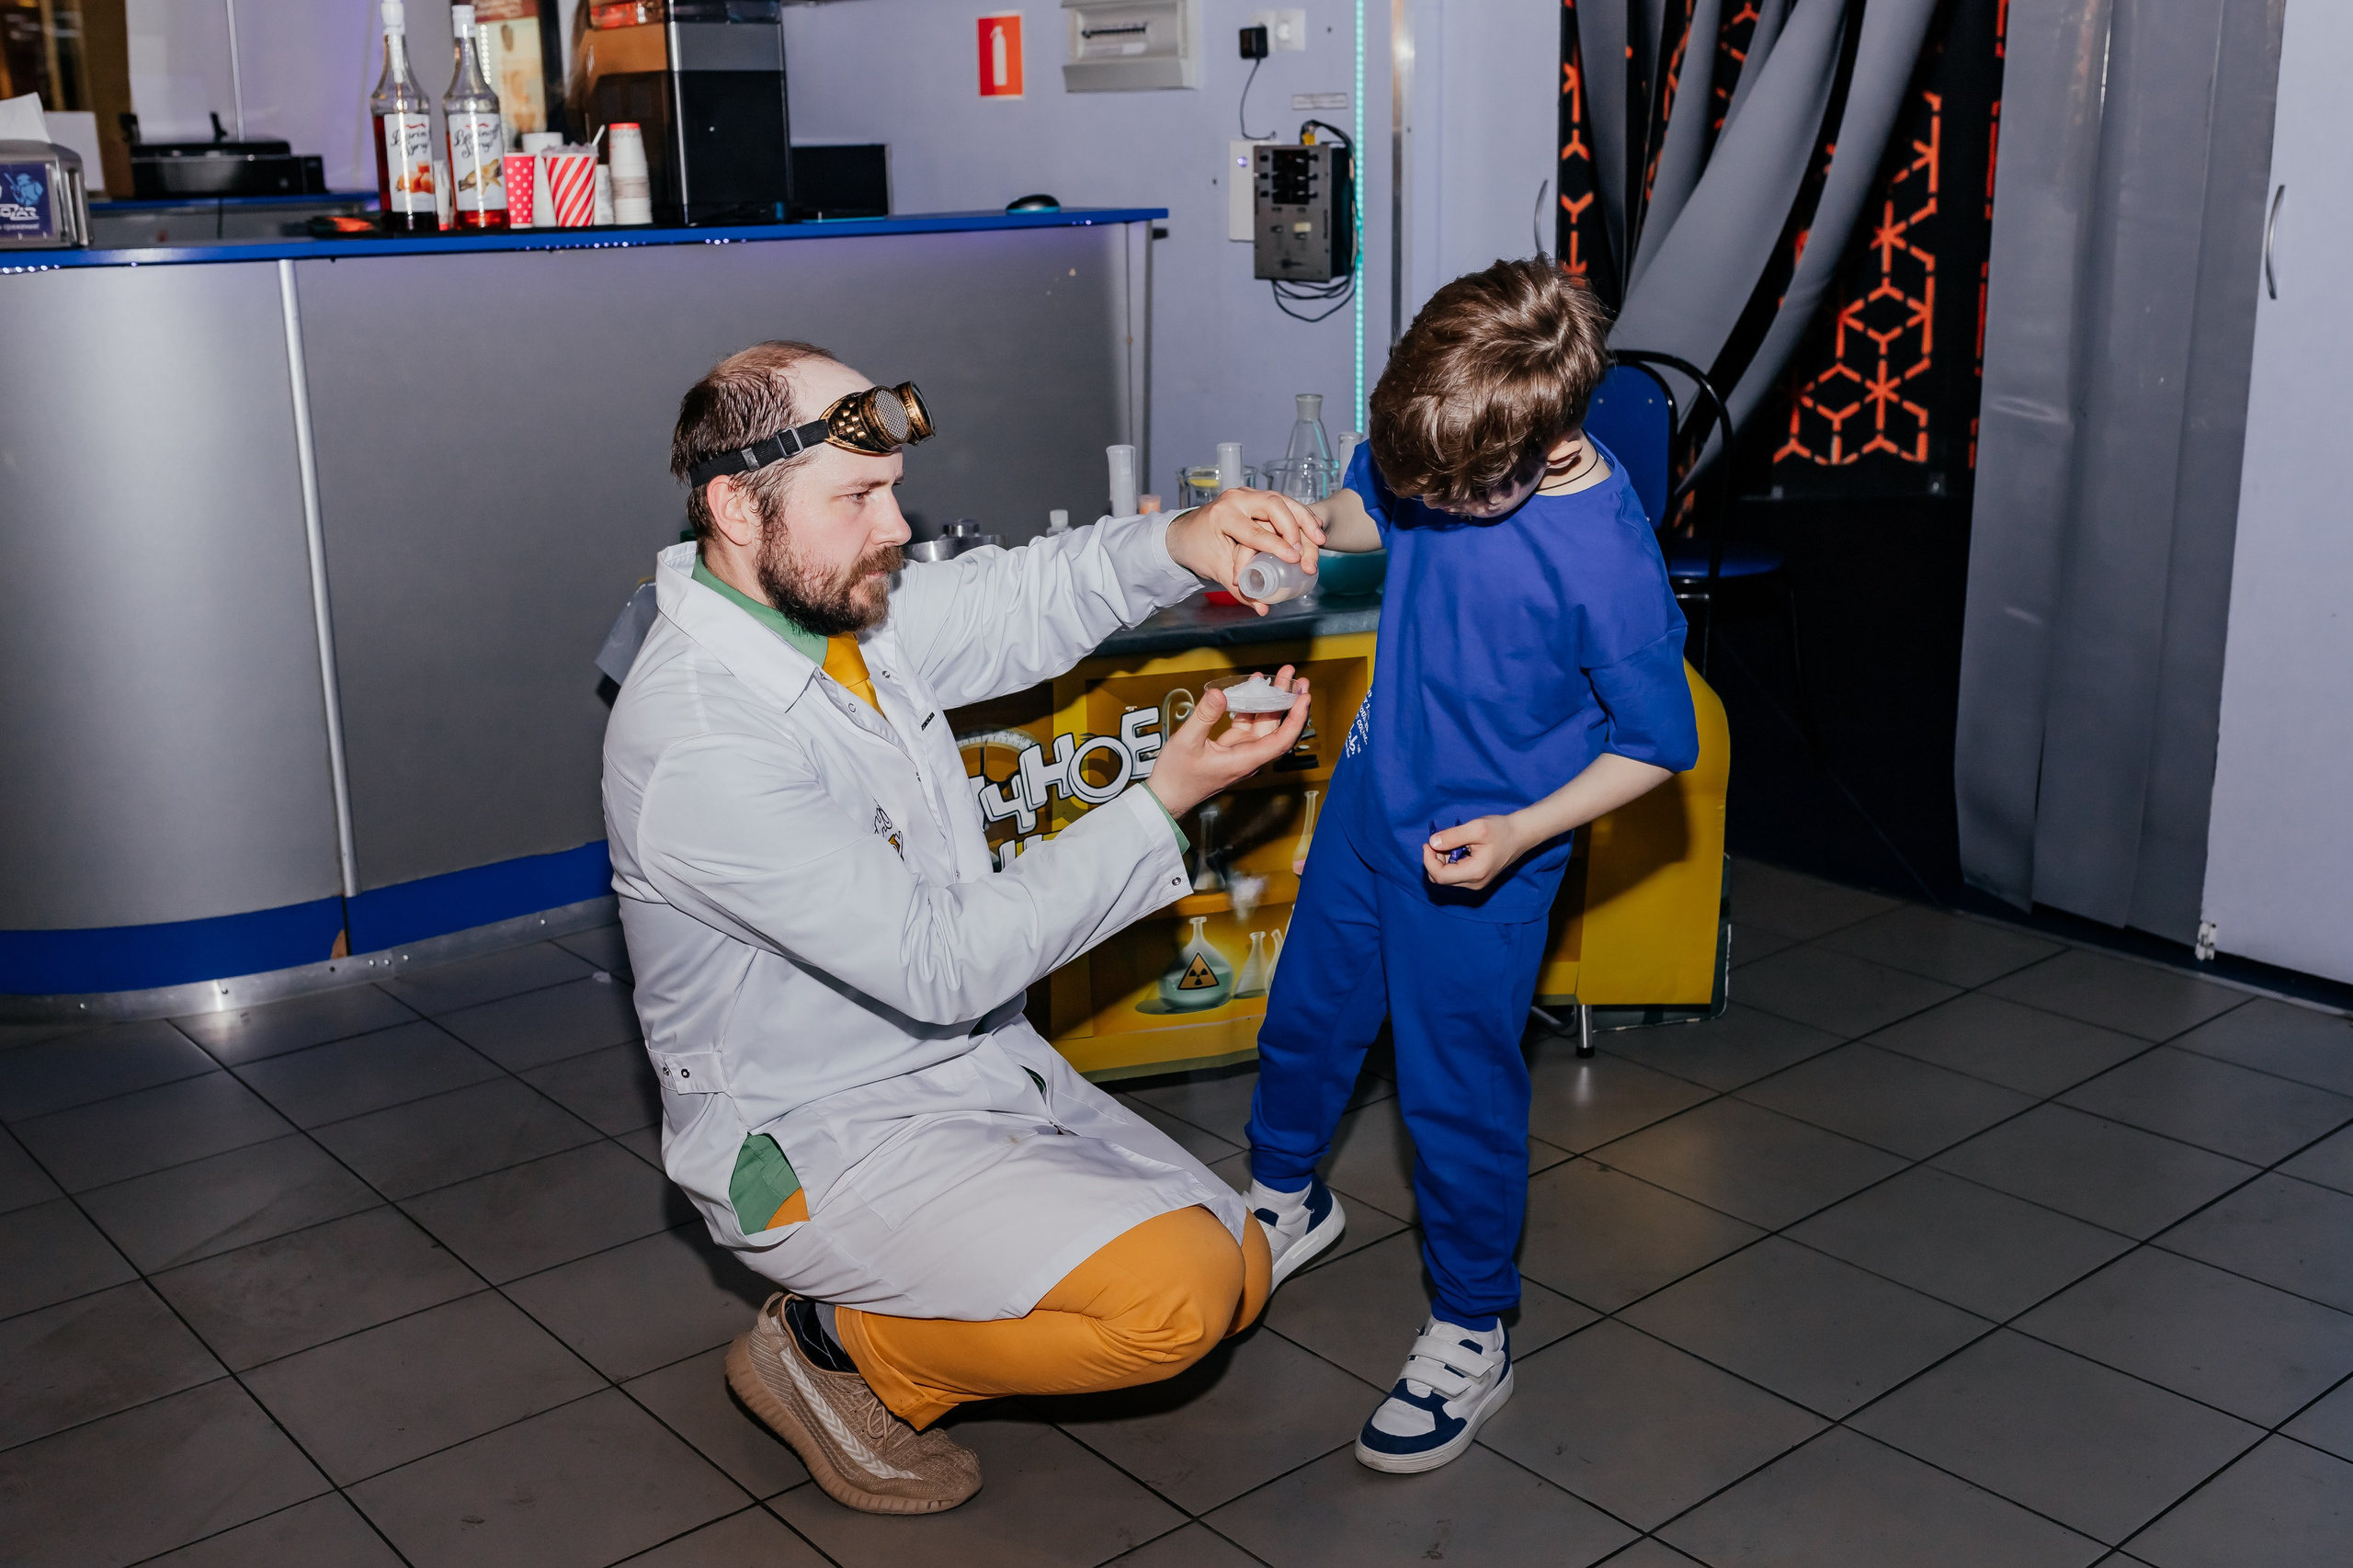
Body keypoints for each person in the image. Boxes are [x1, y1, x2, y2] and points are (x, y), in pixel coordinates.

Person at [603, 341, 1324, 1514]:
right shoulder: (700, 738)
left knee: (1241, 1260)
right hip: (818, 1132)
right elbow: (941, 963)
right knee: (1181, 1299)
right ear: (736, 506)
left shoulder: (825, 612)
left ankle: (876, 1329)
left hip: (949, 1069)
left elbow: (1018, 598)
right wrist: (1162, 800)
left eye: (892, 491)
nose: (895, 528)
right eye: (857, 497)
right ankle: (835, 1352)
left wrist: (1180, 540)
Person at [1242, 259, 1700, 1472]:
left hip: (1482, 856)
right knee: (1307, 1015)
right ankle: (1284, 1196)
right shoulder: (1447, 434)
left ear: (1538, 447)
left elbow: (1660, 744)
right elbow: (1368, 509)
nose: (1421, 502)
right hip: (1372, 796)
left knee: (1453, 1094)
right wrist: (1298, 531)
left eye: (1443, 491)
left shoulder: (1602, 557)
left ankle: (1473, 1324)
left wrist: (1521, 832)